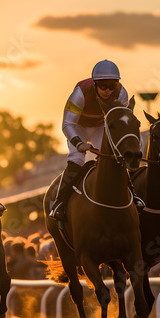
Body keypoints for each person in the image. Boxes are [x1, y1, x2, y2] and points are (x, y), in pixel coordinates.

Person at [49, 59, 145, 221]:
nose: (108, 91)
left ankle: (133, 194)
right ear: (95, 85)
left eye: (112, 86)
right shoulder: (80, 94)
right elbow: (67, 124)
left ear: (117, 85)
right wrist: (78, 143)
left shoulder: (122, 93)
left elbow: (121, 121)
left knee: (117, 157)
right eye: (103, 86)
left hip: (102, 126)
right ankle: (60, 202)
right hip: (78, 127)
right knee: (77, 159)